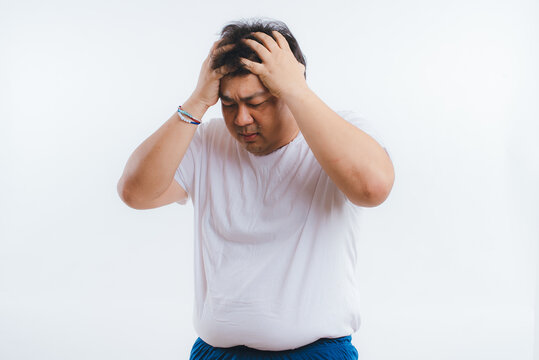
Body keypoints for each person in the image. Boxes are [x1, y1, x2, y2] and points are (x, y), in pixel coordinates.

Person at [117, 18, 394, 360]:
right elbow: (135, 193)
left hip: (317, 352)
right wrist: (198, 101)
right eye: (229, 103)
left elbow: (373, 189)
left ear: (289, 88)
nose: (241, 118)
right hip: (215, 352)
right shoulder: (207, 142)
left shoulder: (341, 132)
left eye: (256, 101)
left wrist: (298, 91)